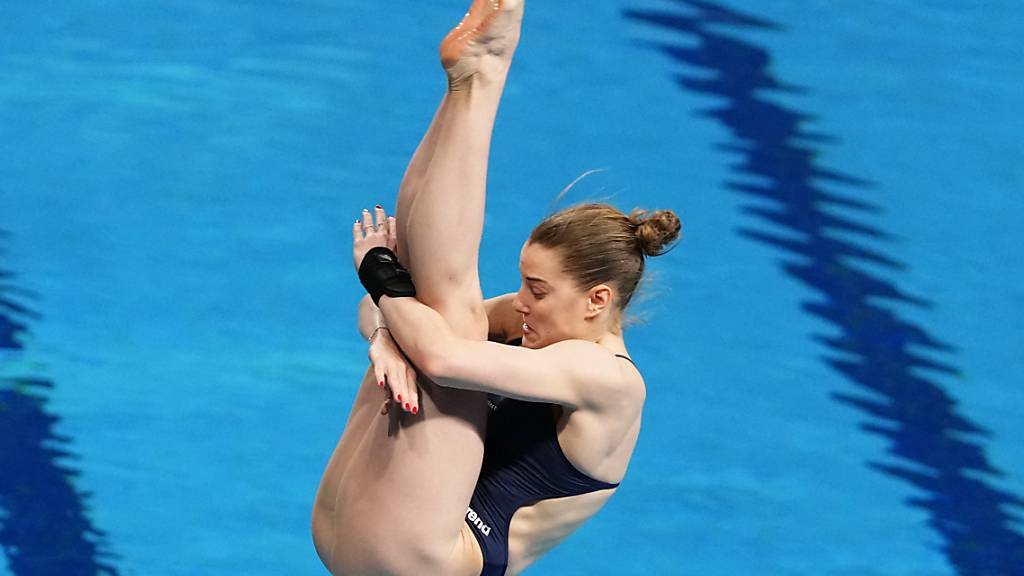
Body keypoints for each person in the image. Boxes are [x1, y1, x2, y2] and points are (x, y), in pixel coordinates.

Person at [311, 1, 680, 575]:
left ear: (597, 300)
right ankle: (469, 81)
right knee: (423, 305)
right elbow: (378, 310)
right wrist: (384, 331)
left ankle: (482, 75)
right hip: (360, 528)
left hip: (426, 558)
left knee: (446, 318)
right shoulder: (537, 325)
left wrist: (381, 278)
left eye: (537, 289)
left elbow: (438, 350)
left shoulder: (609, 381)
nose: (521, 302)